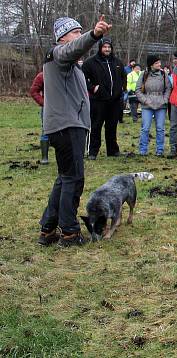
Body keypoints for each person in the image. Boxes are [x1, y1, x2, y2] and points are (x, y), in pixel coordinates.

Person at [38, 15, 111, 247]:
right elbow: (73, 49)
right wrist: (94, 34)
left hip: (70, 126)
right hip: (67, 126)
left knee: (65, 178)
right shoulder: (58, 53)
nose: (79, 36)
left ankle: (48, 228)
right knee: (73, 179)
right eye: (75, 33)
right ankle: (69, 232)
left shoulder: (71, 64)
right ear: (62, 37)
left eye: (81, 32)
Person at [82, 37, 126, 159]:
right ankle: (92, 152)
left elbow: (123, 77)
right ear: (100, 48)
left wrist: (122, 89)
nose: (107, 49)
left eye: (109, 47)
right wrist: (92, 88)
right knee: (96, 126)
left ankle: (113, 150)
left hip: (115, 101)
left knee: (112, 126)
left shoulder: (117, 62)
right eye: (105, 47)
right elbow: (82, 78)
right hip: (98, 101)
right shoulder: (91, 62)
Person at [135, 54, 172, 156]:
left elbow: (168, 88)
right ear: (151, 65)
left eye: (159, 62)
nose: (159, 64)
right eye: (156, 63)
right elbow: (138, 90)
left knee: (160, 128)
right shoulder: (144, 74)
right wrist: (145, 100)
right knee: (145, 128)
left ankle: (159, 150)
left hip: (161, 105)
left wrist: (165, 100)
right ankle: (143, 150)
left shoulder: (164, 74)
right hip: (147, 105)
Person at [29, 70, 49, 164]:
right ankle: (44, 158)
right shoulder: (43, 75)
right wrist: (43, 103)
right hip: (47, 108)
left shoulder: (63, 73)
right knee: (45, 130)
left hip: (63, 107)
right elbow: (33, 91)